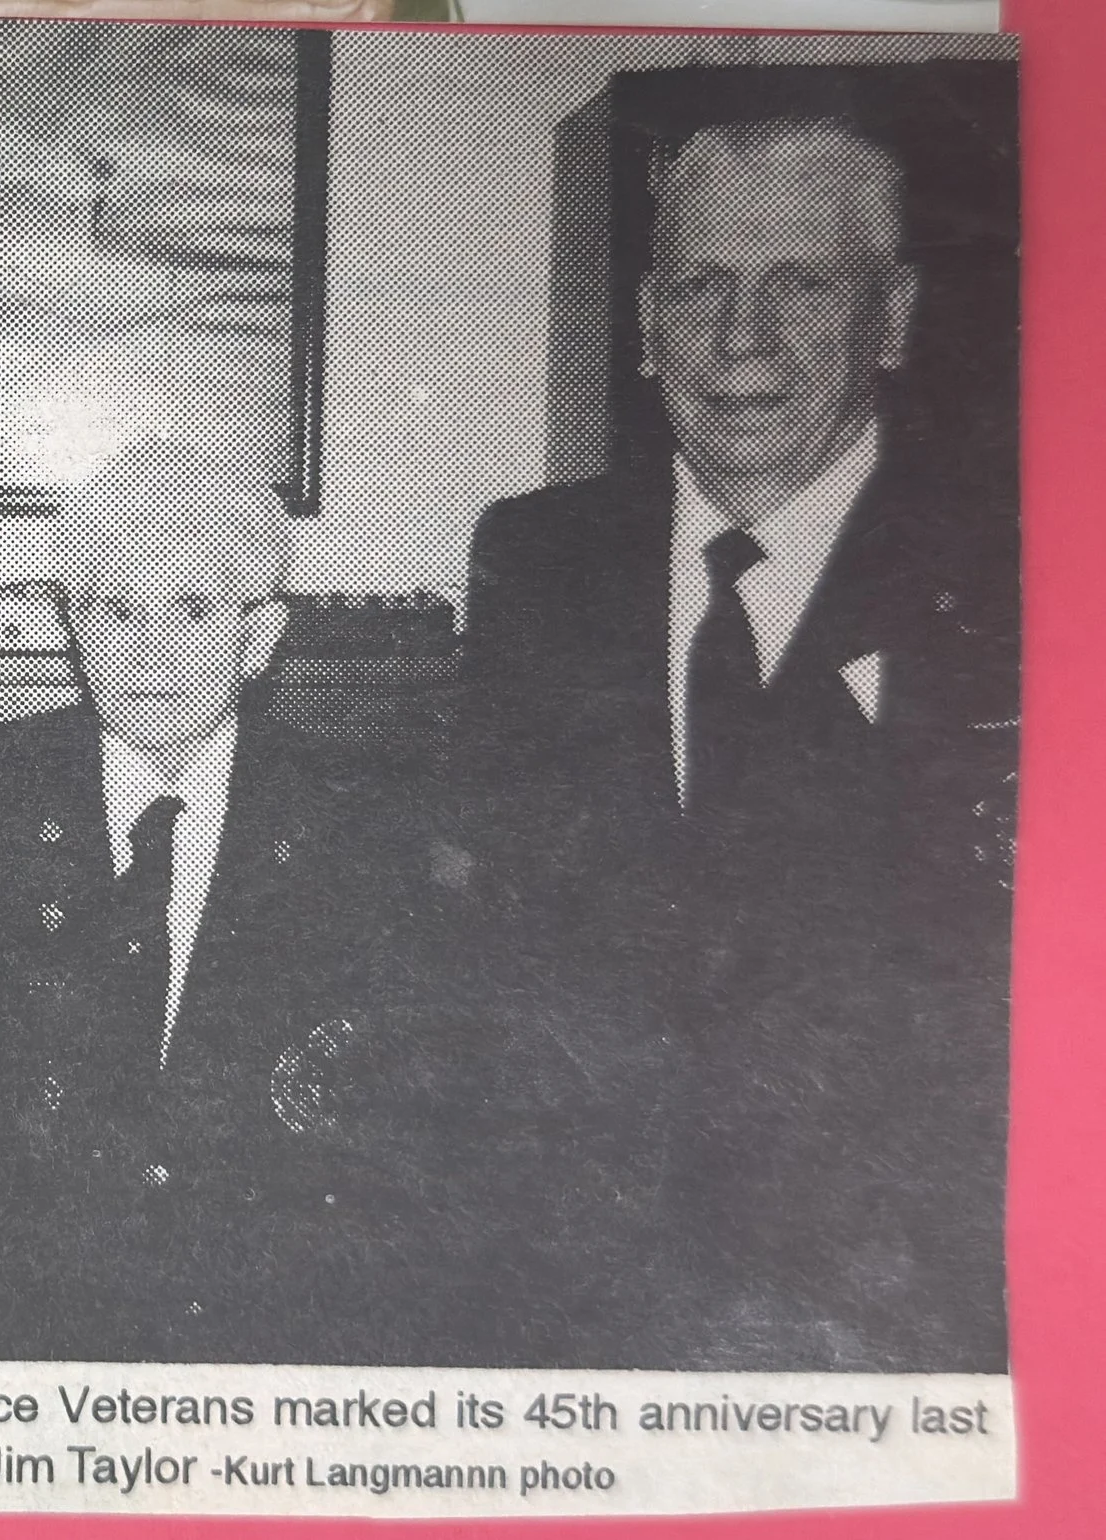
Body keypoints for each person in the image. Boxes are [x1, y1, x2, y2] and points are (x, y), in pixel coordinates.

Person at [459, 116, 1014, 1370]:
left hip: (894, 1318)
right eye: (701, 286)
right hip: (573, 1305)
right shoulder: (535, 562)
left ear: (893, 316)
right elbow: (499, 946)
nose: (741, 338)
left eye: (801, 283)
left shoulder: (1019, 574)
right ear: (648, 324)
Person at [0, 439, 512, 1364]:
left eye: (190, 611)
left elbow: (400, 1156)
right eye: (114, 610)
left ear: (259, 636)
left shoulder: (368, 838)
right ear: (70, 624)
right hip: (8, 1336)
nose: (148, 650)